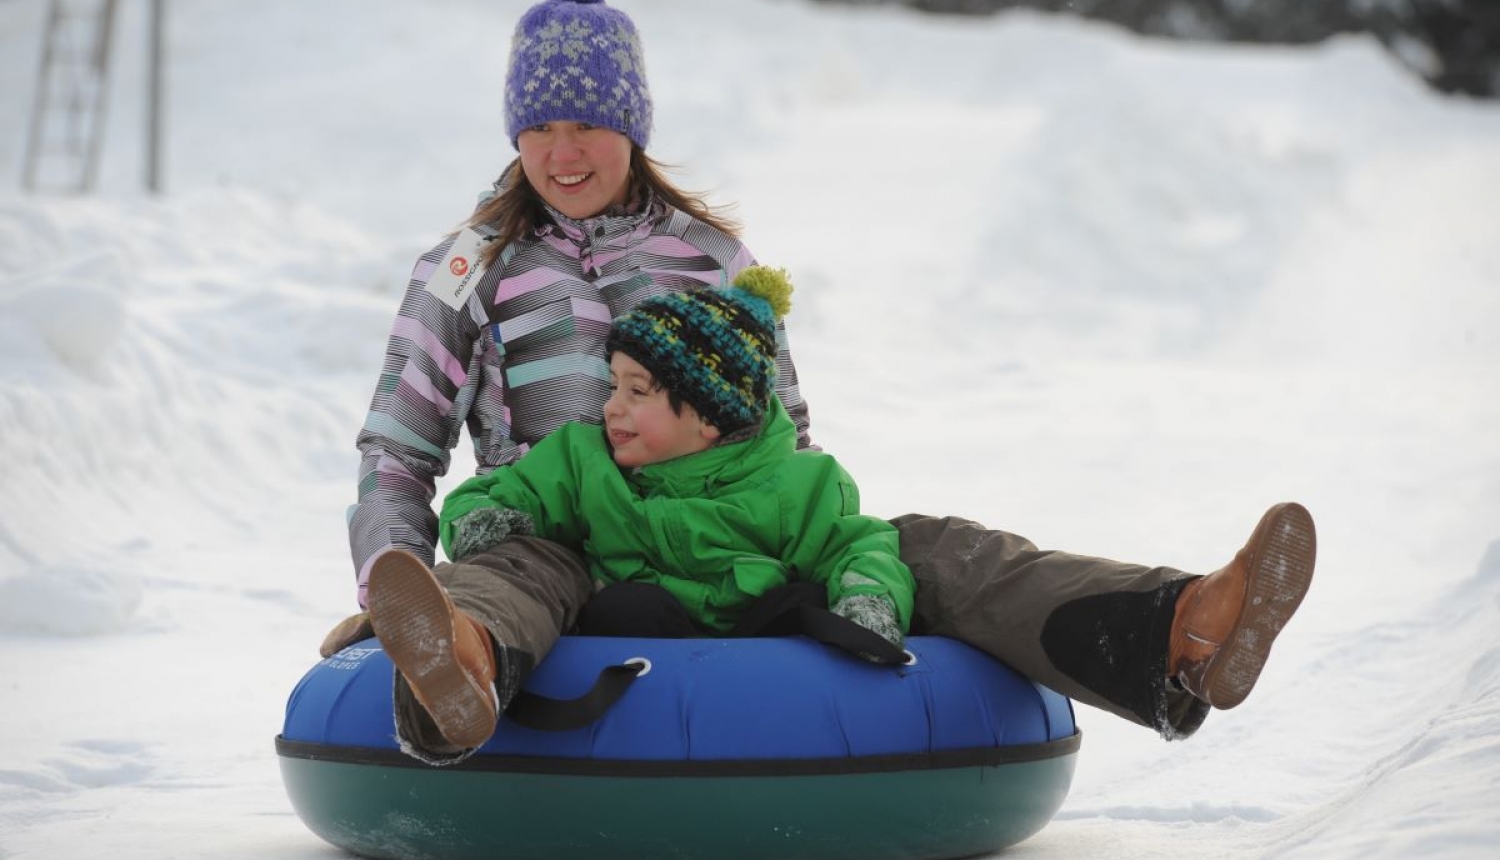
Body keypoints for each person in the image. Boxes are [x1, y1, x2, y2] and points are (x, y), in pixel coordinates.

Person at [329, 0, 1317, 756]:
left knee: (928, 547)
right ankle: (454, 658)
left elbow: (779, 427)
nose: (563, 151)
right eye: (540, 129)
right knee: (513, 573)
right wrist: (393, 584)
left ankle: (1179, 629)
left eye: (585, 123)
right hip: (561, 543)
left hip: (731, 539)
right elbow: (398, 453)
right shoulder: (469, 268)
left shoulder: (710, 256)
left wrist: (823, 547)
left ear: (630, 122)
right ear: (514, 136)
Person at [367, 266, 915, 758]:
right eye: (613, 385)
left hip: (755, 661)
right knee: (605, 598)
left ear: (709, 417)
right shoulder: (585, 460)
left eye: (637, 391)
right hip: (632, 648)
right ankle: (462, 659)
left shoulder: (797, 483)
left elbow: (856, 544)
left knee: (801, 600)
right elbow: (495, 494)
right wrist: (492, 523)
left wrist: (867, 597)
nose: (611, 406)